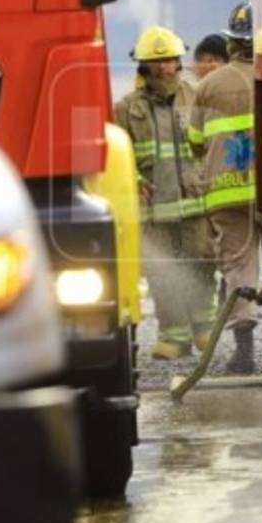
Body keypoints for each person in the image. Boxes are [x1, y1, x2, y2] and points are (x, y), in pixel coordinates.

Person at [114, 26, 216, 360]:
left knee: (201, 262)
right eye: (156, 62)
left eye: (170, 60)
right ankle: (174, 335)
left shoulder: (197, 96)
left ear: (179, 61)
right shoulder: (126, 109)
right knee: (163, 271)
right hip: (154, 210)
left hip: (195, 203)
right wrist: (132, 179)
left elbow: (213, 143)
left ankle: (204, 329)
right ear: (143, 66)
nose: (164, 68)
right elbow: (118, 153)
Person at [188, 3, 258, 374]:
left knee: (239, 266)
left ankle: (244, 350)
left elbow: (195, 140)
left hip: (227, 193)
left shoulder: (209, 85)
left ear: (231, 43)